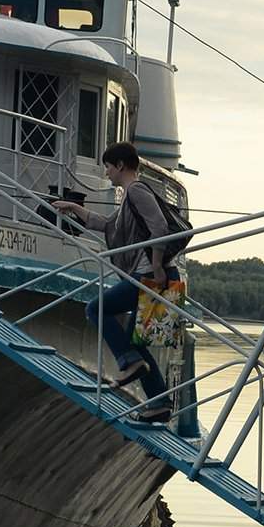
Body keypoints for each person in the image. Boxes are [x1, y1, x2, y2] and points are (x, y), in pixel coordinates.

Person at [51, 143, 175, 424]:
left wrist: (156, 266)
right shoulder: (128, 198)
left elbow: (160, 228)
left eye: (108, 166)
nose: (106, 172)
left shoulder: (136, 190)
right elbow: (107, 225)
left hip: (151, 276)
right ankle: (160, 405)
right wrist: (73, 208)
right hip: (156, 277)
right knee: (138, 341)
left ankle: (128, 362)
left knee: (96, 309)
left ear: (120, 165)